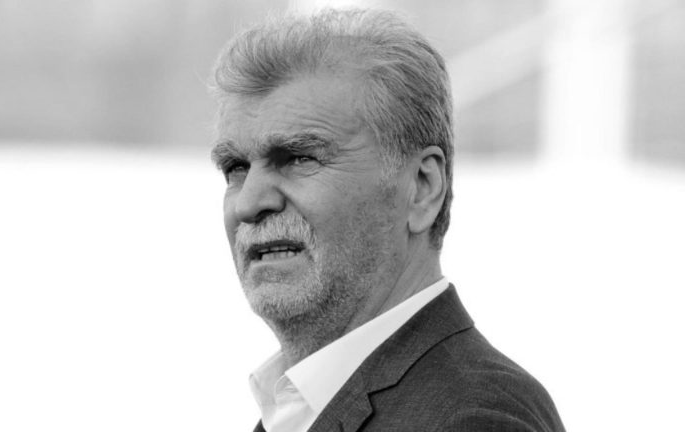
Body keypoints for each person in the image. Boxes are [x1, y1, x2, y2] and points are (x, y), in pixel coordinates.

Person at [210, 8, 565, 432]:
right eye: (236, 168)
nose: (248, 203)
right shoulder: (300, 407)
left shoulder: (473, 419)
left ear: (422, 188)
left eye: (299, 158)